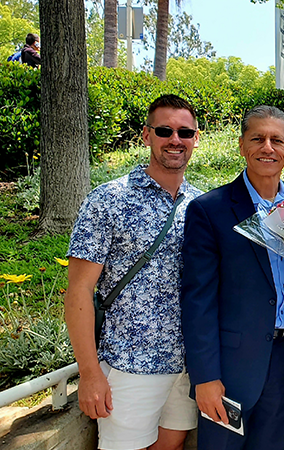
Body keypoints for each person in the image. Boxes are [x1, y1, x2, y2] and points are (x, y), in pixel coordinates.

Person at [181, 105, 284, 450]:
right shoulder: (211, 210)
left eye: (277, 140)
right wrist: (205, 379)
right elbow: (198, 301)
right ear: (242, 146)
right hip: (230, 366)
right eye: (258, 139)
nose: (268, 147)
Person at [65, 94, 203, 450]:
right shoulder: (108, 199)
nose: (175, 140)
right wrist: (90, 373)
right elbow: (79, 291)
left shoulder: (202, 206)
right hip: (129, 364)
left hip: (187, 364)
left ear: (196, 138)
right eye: (164, 130)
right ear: (146, 135)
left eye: (185, 132)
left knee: (170, 445)